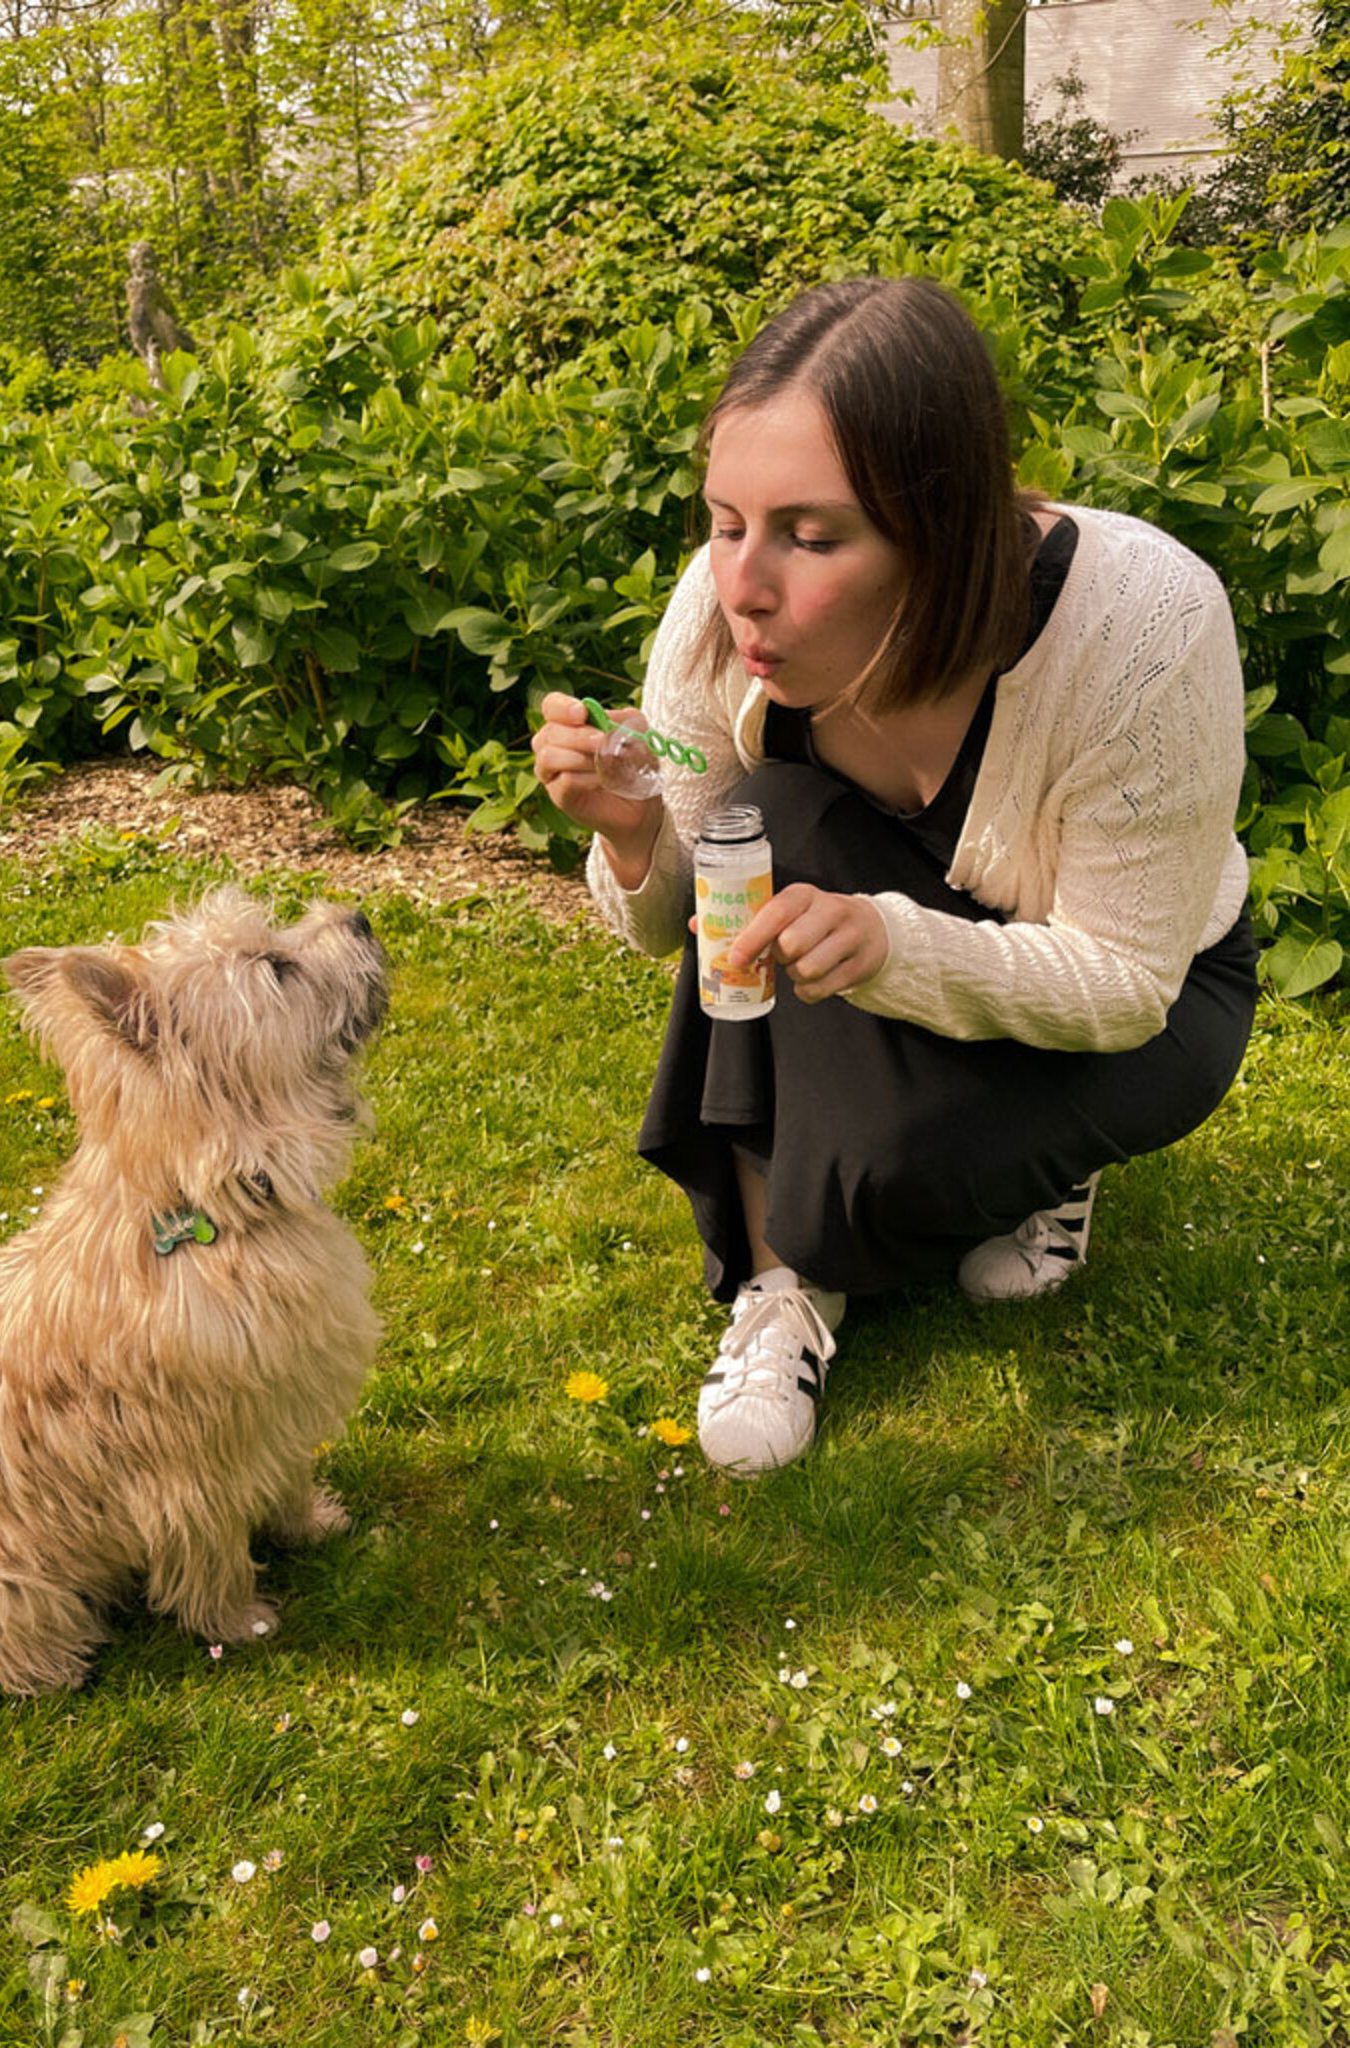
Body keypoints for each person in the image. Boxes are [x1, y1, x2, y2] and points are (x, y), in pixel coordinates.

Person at [531, 276, 1257, 1478]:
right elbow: (675, 928)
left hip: (1149, 995)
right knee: (754, 821)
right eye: (724, 522)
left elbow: (1130, 980)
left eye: (810, 537)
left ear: (943, 526)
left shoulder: (1145, 624)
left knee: (901, 1173)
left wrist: (889, 942)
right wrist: (625, 834)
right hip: (869, 928)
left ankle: (1046, 1164)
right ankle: (779, 1289)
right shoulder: (719, 621)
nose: (744, 584)